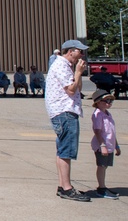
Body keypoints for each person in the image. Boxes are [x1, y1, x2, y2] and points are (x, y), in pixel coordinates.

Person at [46, 39, 90, 202]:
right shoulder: (61, 65)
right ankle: (67, 188)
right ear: (71, 51)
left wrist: (77, 73)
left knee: (62, 150)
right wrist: (78, 72)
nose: (82, 55)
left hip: (64, 111)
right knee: (66, 151)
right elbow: (71, 90)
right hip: (64, 111)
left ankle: (63, 185)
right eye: (80, 51)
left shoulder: (66, 67)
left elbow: (78, 88)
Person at [90, 89, 121, 199]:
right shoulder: (98, 115)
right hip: (102, 146)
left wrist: (116, 146)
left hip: (110, 145)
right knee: (102, 166)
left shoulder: (107, 114)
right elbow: (97, 131)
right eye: (106, 100)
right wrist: (102, 146)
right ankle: (101, 188)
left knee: (105, 166)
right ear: (98, 102)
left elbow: (111, 132)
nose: (108, 103)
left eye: (110, 101)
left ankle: (103, 186)